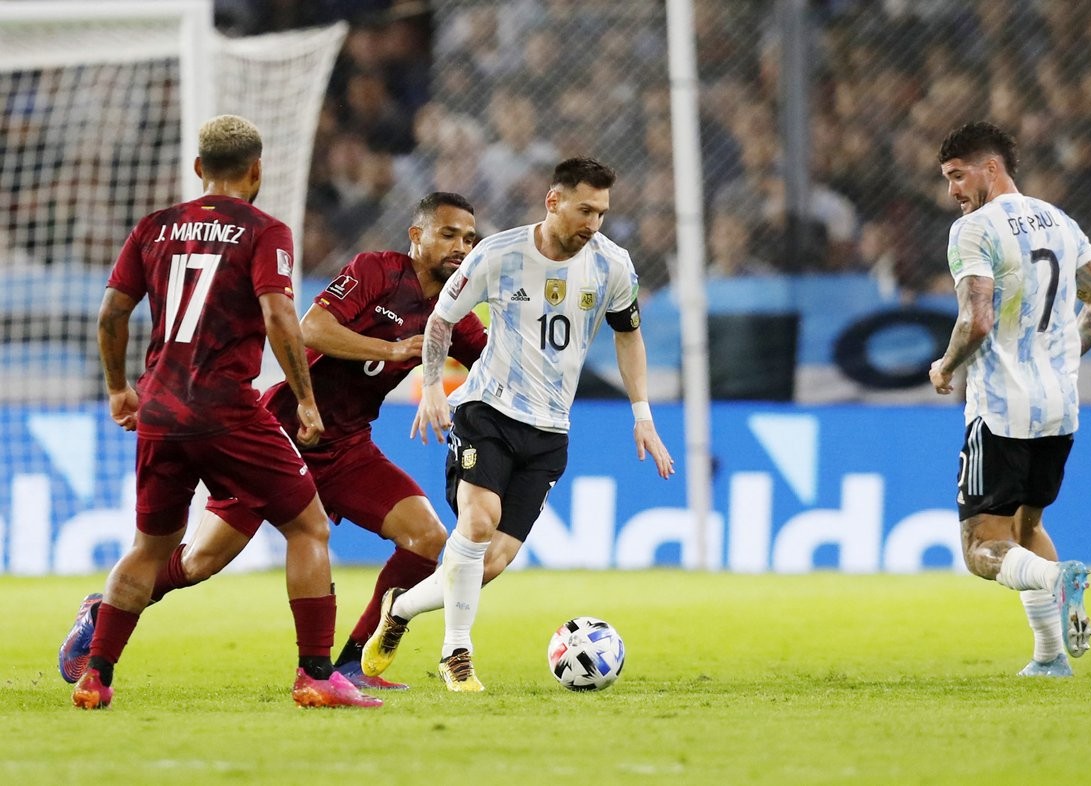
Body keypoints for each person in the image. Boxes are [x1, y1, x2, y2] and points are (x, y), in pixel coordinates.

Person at [59, 191, 487, 692]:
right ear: (417, 236)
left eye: (469, 239)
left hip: (346, 447)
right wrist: (393, 348)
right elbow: (312, 329)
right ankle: (103, 609)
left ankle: (351, 664)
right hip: (279, 434)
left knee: (428, 539)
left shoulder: (453, 311)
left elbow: (492, 359)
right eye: (449, 234)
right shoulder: (376, 270)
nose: (461, 247)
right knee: (199, 562)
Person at [70, 115, 380, 710]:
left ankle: (97, 674)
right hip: (227, 409)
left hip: (159, 409)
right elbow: (279, 316)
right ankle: (316, 675)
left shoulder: (154, 227)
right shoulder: (266, 231)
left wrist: (118, 390)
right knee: (308, 527)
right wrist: (306, 401)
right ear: (257, 169)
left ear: (198, 169)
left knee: (150, 549)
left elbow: (111, 314)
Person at [361, 156, 675, 692]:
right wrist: (434, 385)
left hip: (551, 429)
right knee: (478, 523)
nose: (592, 224)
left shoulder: (612, 266)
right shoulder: (499, 253)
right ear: (553, 202)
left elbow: (629, 336)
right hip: (487, 410)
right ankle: (456, 654)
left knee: (488, 564)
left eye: (601, 213)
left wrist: (642, 415)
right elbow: (442, 319)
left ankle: (403, 607)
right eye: (583, 210)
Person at [929, 122, 1091, 677]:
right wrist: (1059, 357)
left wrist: (946, 365)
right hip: (1060, 406)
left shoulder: (974, 231)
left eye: (957, 176)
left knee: (979, 546)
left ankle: (1056, 580)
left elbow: (978, 319)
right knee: (1026, 529)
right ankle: (1050, 656)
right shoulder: (1061, 221)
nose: (952, 192)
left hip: (1001, 409)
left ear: (992, 168)